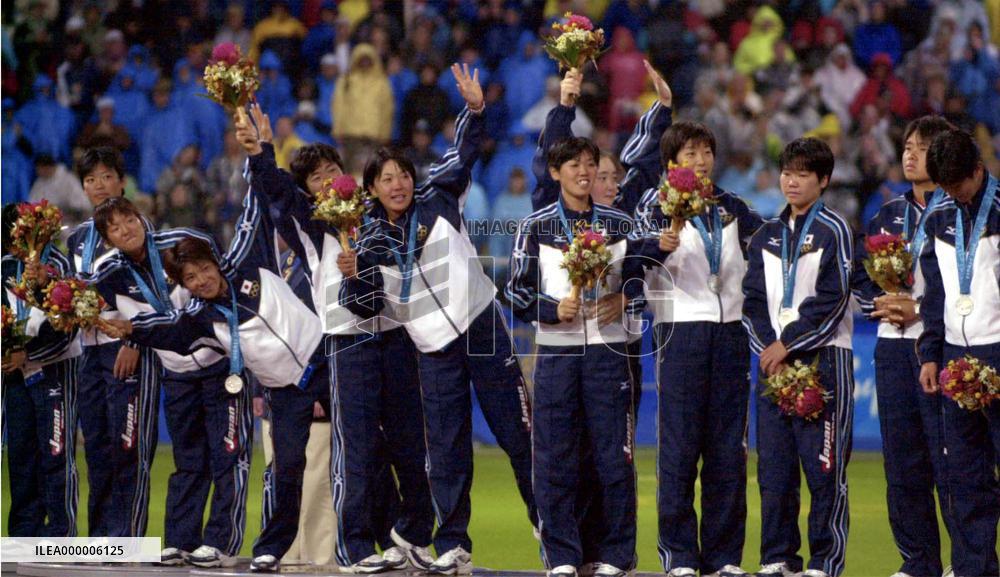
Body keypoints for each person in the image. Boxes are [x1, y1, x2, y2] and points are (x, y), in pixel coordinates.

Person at [344, 63, 537, 575]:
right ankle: (453, 542)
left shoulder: (437, 196)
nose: (399, 184)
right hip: (430, 347)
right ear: (372, 190)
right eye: (387, 179)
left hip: (480, 326)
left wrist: (475, 110)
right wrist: (351, 275)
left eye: (403, 175)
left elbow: (465, 152)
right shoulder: (364, 241)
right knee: (447, 448)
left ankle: (552, 529)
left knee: (519, 432)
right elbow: (362, 307)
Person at [240, 104, 434, 573]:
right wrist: (263, 153)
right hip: (346, 341)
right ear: (307, 191)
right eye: (317, 178)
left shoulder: (374, 213)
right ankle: (354, 548)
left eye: (333, 171)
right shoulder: (312, 220)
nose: (328, 181)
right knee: (357, 447)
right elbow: (276, 189)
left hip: (394, 336)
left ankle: (405, 537)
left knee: (406, 447)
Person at [82, 197, 248, 567]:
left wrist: (136, 333)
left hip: (222, 364)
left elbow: (222, 284)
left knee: (228, 456)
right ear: (107, 238)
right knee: (187, 460)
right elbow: (82, 302)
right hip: (176, 374)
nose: (126, 229)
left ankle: (220, 543)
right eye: (115, 228)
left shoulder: (183, 241)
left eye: (129, 219)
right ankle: (181, 542)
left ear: (141, 217)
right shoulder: (109, 272)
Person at [506, 136, 644, 577]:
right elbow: (513, 289)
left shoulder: (620, 223)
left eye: (589, 164)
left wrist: (624, 299)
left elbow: (648, 280)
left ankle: (617, 556)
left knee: (614, 457)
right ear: (554, 173)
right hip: (556, 353)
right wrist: (552, 309)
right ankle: (561, 557)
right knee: (553, 459)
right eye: (573, 165)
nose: (583, 172)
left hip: (609, 352)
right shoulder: (536, 225)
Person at [633, 120, 763, 577]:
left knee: (729, 450)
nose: (701, 161)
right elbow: (633, 265)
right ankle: (680, 556)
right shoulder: (654, 207)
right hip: (680, 332)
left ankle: (725, 557)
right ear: (671, 164)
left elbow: (768, 250)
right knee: (680, 449)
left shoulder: (732, 206)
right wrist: (657, 245)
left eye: (706, 152)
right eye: (690, 154)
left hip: (729, 333)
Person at [742, 138, 855, 577]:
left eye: (803, 174)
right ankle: (778, 557)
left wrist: (787, 344)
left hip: (822, 360)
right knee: (774, 472)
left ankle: (824, 561)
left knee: (824, 470)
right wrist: (770, 349)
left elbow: (833, 298)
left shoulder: (834, 231)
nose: (792, 180)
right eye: (787, 171)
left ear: (823, 181)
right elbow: (751, 300)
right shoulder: (767, 235)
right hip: (773, 366)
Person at [854, 116, 958, 577]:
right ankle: (918, 561)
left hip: (943, 344)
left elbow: (967, 284)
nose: (910, 154)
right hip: (892, 347)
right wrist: (882, 302)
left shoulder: (960, 212)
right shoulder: (886, 214)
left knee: (951, 458)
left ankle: (969, 561)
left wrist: (919, 310)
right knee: (902, 461)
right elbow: (859, 276)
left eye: (922, 147)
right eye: (907, 146)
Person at [917, 128, 1000, 577]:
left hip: (999, 351)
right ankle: (975, 570)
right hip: (955, 356)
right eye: (943, 187)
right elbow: (935, 295)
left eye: (957, 185)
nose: (950, 194)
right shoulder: (939, 215)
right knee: (966, 478)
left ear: (979, 169)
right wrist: (931, 354)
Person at [67, 148, 156, 538]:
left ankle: (128, 542)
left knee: (127, 447)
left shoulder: (137, 227)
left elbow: (155, 291)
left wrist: (135, 342)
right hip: (89, 351)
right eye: (90, 180)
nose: (99, 186)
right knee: (98, 449)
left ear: (122, 181)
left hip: (127, 347)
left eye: (106, 177)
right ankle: (101, 541)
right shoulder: (78, 238)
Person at [2, 206, 81, 538]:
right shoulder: (5, 268)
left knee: (55, 455)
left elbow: (68, 327)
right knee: (20, 456)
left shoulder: (60, 267)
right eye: (11, 234)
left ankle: (60, 536)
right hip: (15, 377)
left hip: (54, 372)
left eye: (23, 232)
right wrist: (10, 354)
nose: (17, 241)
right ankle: (23, 536)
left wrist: (27, 353)